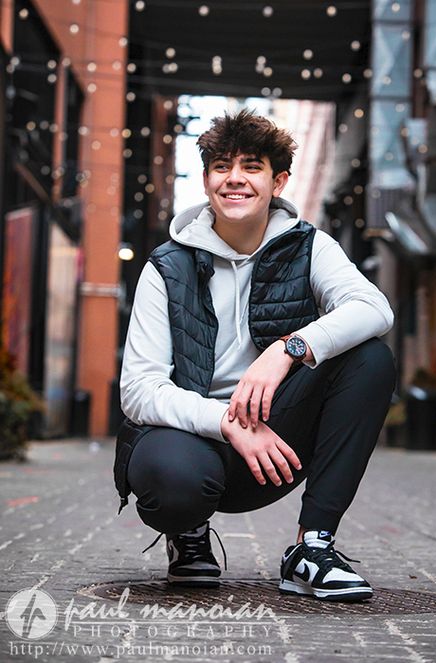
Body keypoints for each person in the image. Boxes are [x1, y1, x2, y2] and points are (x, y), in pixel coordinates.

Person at [114, 109, 396, 602]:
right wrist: (227, 421)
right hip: (196, 439)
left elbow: (374, 307)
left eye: (252, 165)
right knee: (169, 480)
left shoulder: (309, 247)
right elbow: (139, 391)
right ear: (206, 180)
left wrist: (289, 350)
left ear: (278, 180)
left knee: (369, 359)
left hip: (278, 438)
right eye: (222, 166)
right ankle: (189, 534)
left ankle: (313, 547)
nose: (235, 178)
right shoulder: (167, 266)